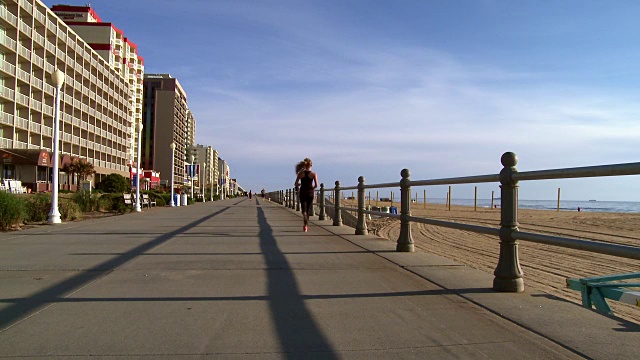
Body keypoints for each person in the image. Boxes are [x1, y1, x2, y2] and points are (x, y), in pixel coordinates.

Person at [295, 158, 318, 232]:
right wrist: (312, 189)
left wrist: (300, 184)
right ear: (311, 165)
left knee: (304, 209)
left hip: (303, 192)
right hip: (310, 193)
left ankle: (305, 222)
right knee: (308, 209)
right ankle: (306, 225)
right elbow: (316, 185)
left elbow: (296, 184)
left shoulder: (300, 174)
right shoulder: (313, 174)